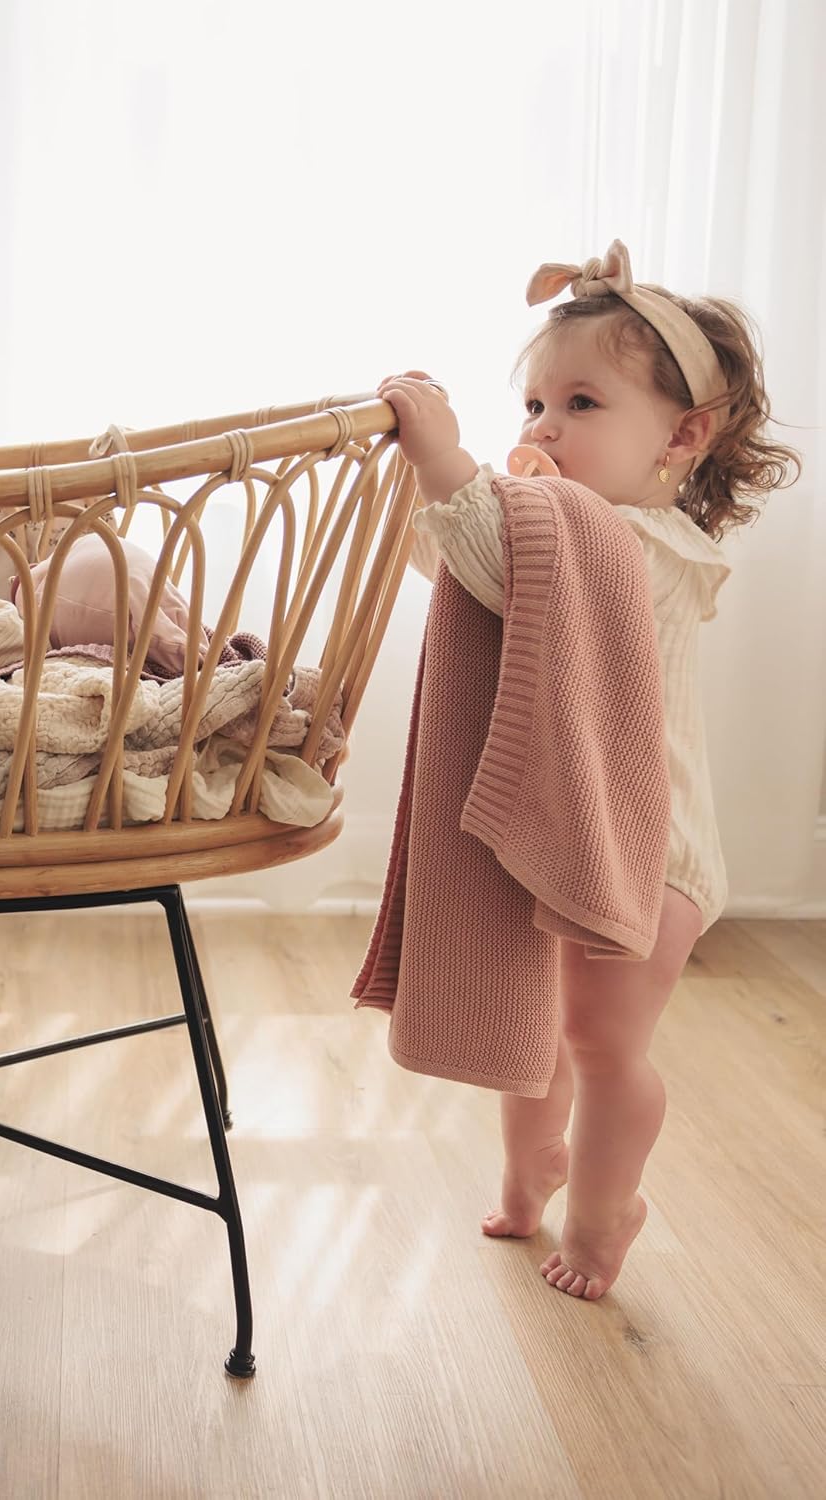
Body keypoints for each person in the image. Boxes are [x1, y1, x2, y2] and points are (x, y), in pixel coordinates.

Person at [378, 239, 800, 1300]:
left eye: (580, 404)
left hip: (653, 853)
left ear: (683, 437)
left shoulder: (652, 550)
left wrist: (448, 464)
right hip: (575, 820)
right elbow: (454, 562)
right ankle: (532, 1172)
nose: (542, 428)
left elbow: (496, 561)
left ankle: (609, 1212)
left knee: (601, 1043)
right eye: (532, 405)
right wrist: (430, 480)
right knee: (539, 1027)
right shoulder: (563, 530)